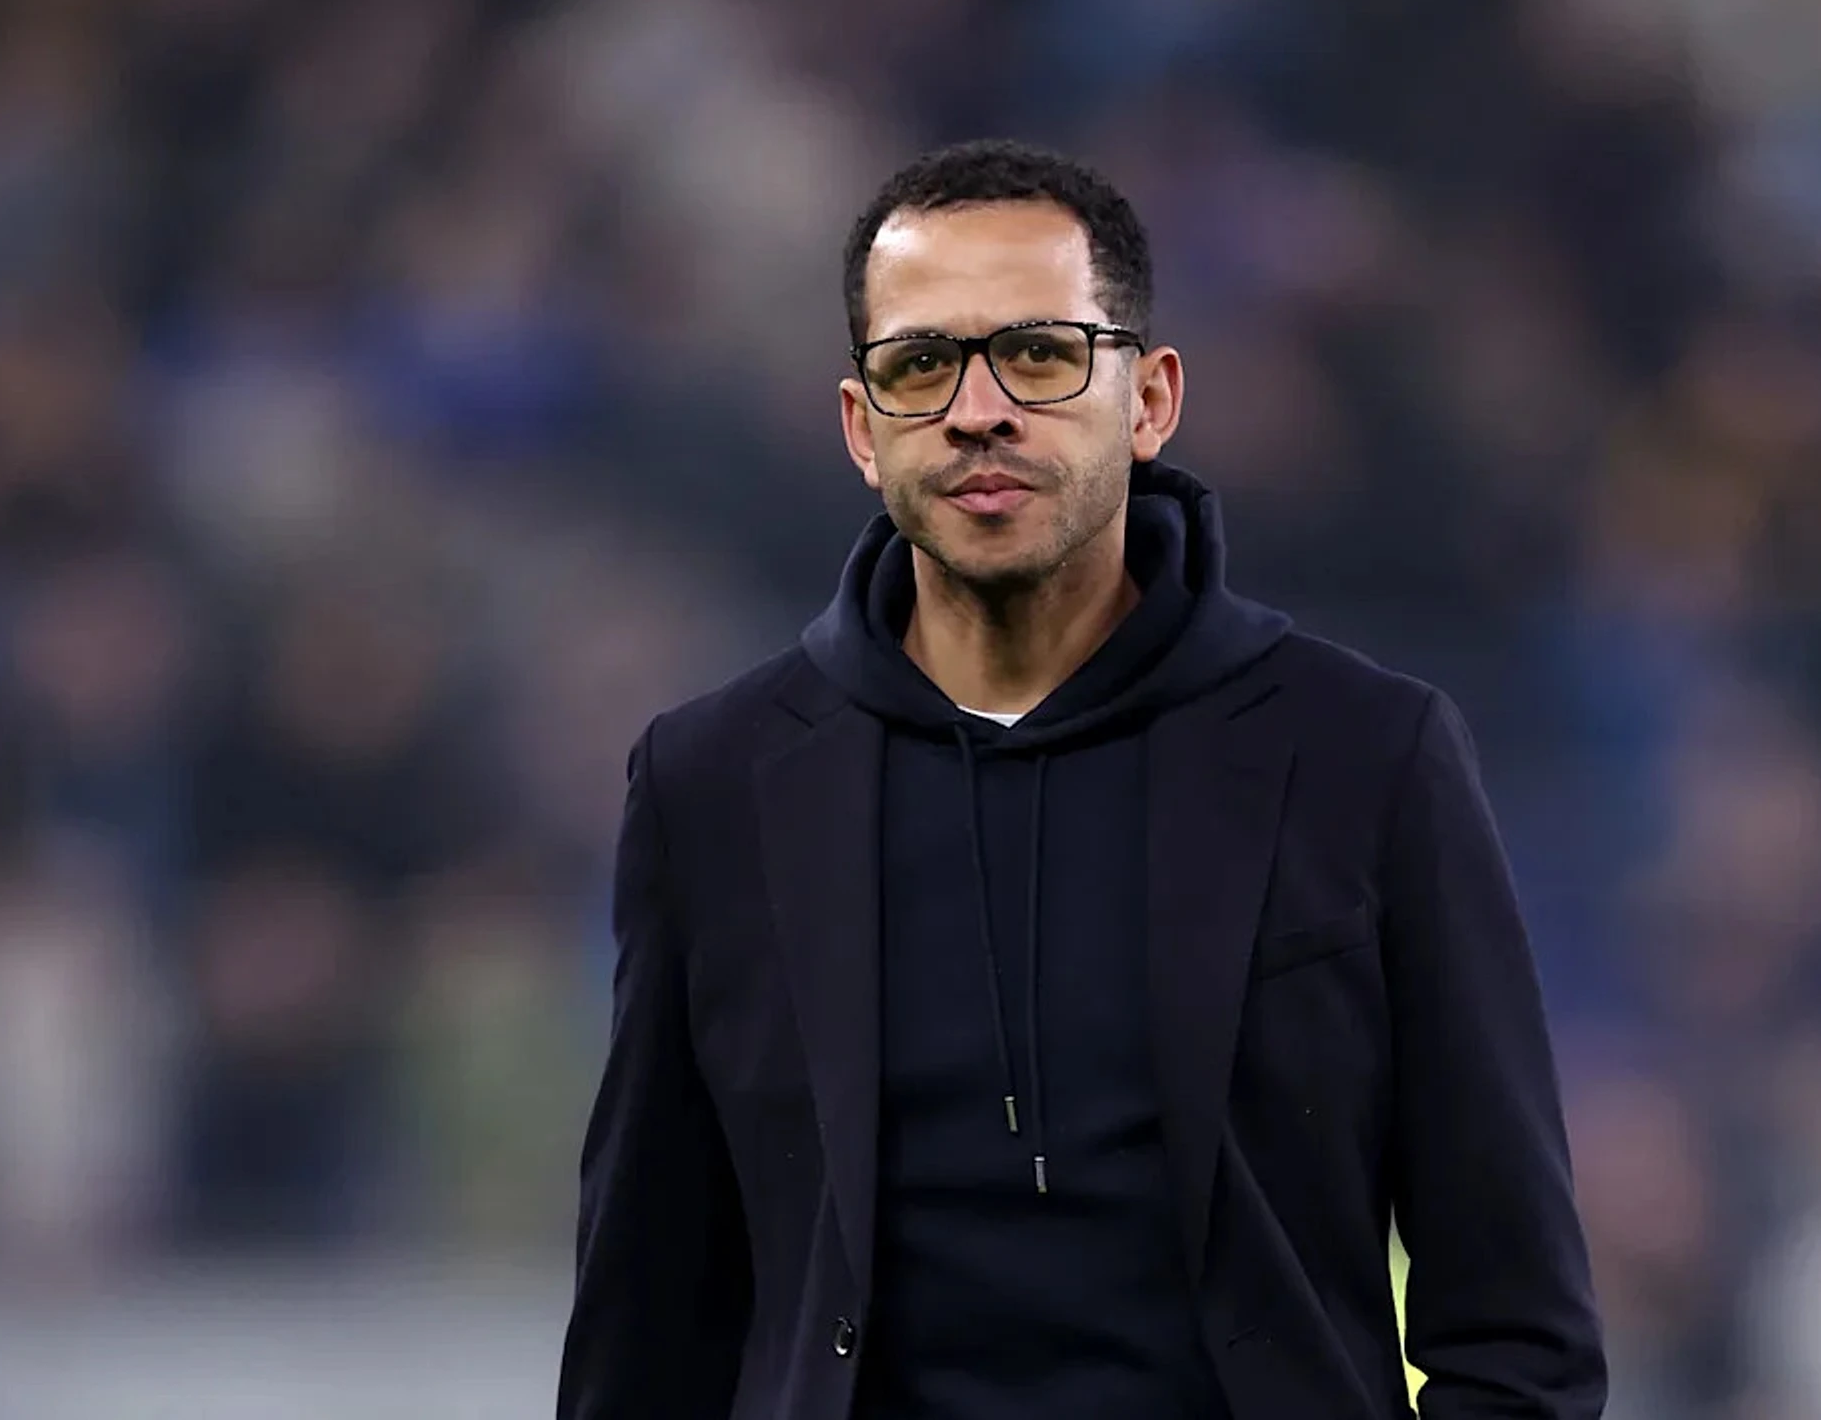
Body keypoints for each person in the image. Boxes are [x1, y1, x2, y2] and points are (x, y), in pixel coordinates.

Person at [557, 139, 1606, 1420]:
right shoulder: (713, 785)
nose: (977, 409)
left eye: (1040, 355)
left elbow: (1518, 1329)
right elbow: (644, 1330)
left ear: (1150, 400)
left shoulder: (1366, 756)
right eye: (920, 365)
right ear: (860, 428)